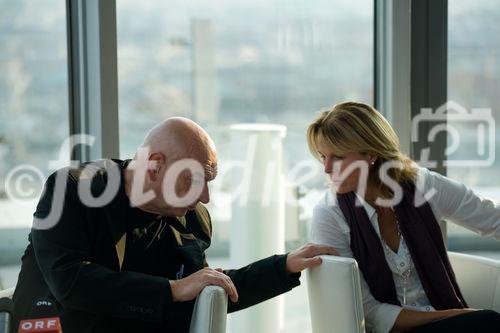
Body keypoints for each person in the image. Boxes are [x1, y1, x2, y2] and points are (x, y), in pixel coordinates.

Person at [12, 117, 337, 332]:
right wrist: (172, 289)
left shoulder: (193, 220)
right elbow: (69, 280)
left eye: (210, 182)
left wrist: (284, 267)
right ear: (154, 166)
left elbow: (205, 289)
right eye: (194, 180)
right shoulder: (74, 188)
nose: (206, 197)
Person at [307, 101, 500, 333]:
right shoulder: (329, 215)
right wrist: (457, 315)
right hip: (390, 330)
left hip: (448, 322)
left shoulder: (422, 185)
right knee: (488, 322)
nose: (326, 168)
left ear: (371, 154)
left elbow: (492, 220)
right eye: (322, 157)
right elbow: (367, 311)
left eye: (337, 157)